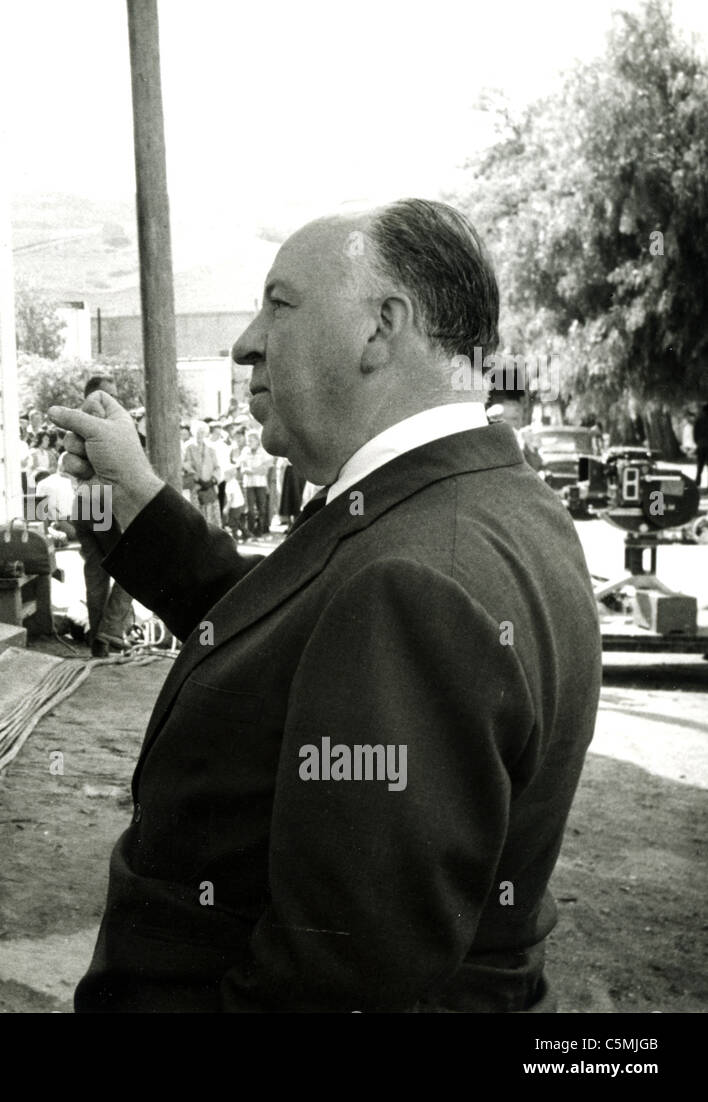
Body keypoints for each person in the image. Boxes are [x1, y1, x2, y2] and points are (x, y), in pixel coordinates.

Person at [51, 198, 601, 1012]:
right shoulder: (475, 502)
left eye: (280, 303)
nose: (244, 344)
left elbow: (335, 981)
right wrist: (141, 504)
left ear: (382, 327)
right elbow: (291, 636)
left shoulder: (412, 580)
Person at [76, 376, 135, 656]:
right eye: (107, 395)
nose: (113, 401)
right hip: (100, 501)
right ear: (94, 397)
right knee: (133, 567)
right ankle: (110, 630)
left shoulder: (77, 422)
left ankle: (99, 643)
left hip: (85, 502)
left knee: (96, 574)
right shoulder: (108, 424)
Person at [181, 422, 221, 526]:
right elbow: (186, 465)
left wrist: (213, 480)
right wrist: (198, 479)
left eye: (202, 432)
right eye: (197, 432)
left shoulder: (210, 448)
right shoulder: (188, 447)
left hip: (209, 486)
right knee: (197, 515)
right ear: (193, 433)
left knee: (212, 516)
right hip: (196, 486)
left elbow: (217, 467)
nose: (199, 434)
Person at [237, 429, 273, 539]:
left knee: (261, 508)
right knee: (250, 509)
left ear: (258, 441)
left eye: (251, 440)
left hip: (261, 484)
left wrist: (251, 470)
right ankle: (250, 531)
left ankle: (260, 530)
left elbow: (265, 470)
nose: (249, 442)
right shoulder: (244, 451)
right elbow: (242, 469)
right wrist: (256, 469)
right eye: (248, 440)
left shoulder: (263, 452)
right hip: (248, 484)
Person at [695, 403, 708, 488]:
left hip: (701, 444)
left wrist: (698, 442)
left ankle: (697, 481)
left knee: (700, 464)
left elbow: (695, 433)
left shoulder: (699, 420)